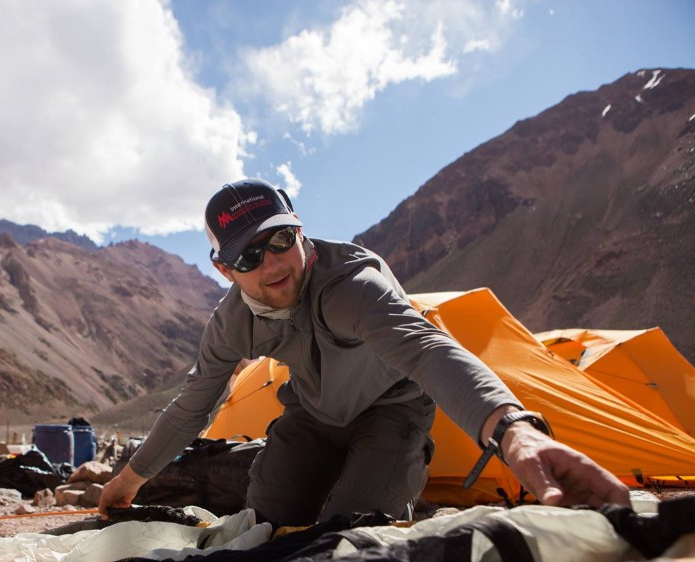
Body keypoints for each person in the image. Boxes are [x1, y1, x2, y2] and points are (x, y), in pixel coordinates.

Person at [99, 178, 631, 526]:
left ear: (300, 231)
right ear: (224, 270)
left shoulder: (351, 284)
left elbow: (426, 349)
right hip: (311, 415)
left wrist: (515, 432)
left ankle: (390, 487)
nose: (273, 264)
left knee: (353, 533)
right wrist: (127, 481)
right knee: (264, 524)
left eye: (280, 239)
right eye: (250, 255)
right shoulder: (231, 323)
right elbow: (195, 403)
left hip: (391, 410)